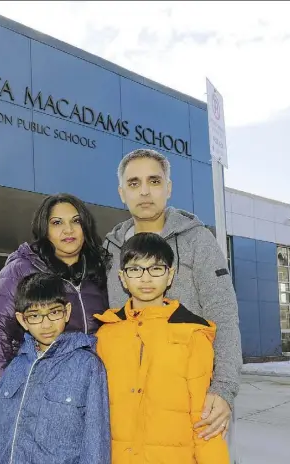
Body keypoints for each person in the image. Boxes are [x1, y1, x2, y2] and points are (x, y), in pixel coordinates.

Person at [104, 149, 242, 445]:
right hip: (130, 404)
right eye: (133, 183)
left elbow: (224, 315)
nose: (144, 191)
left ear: (168, 188)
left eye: (154, 181)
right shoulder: (110, 248)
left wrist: (224, 389)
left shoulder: (198, 240)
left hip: (193, 401)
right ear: (121, 193)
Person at [95, 232, 229, 463]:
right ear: (122, 278)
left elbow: (204, 418)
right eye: (135, 269)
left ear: (170, 276)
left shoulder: (192, 334)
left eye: (156, 269)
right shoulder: (106, 334)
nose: (146, 278)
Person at [0, 193, 109, 409]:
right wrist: (0, 409)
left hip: (92, 393)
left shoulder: (99, 271)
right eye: (57, 223)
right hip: (40, 399)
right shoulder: (21, 270)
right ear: (44, 229)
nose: (68, 230)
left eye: (76, 221)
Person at [0, 273, 111, 464]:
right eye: (35, 316)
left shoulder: (87, 365)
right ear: (22, 320)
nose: (46, 324)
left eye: (54, 312)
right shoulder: (15, 367)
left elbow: (96, 440)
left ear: (67, 312)